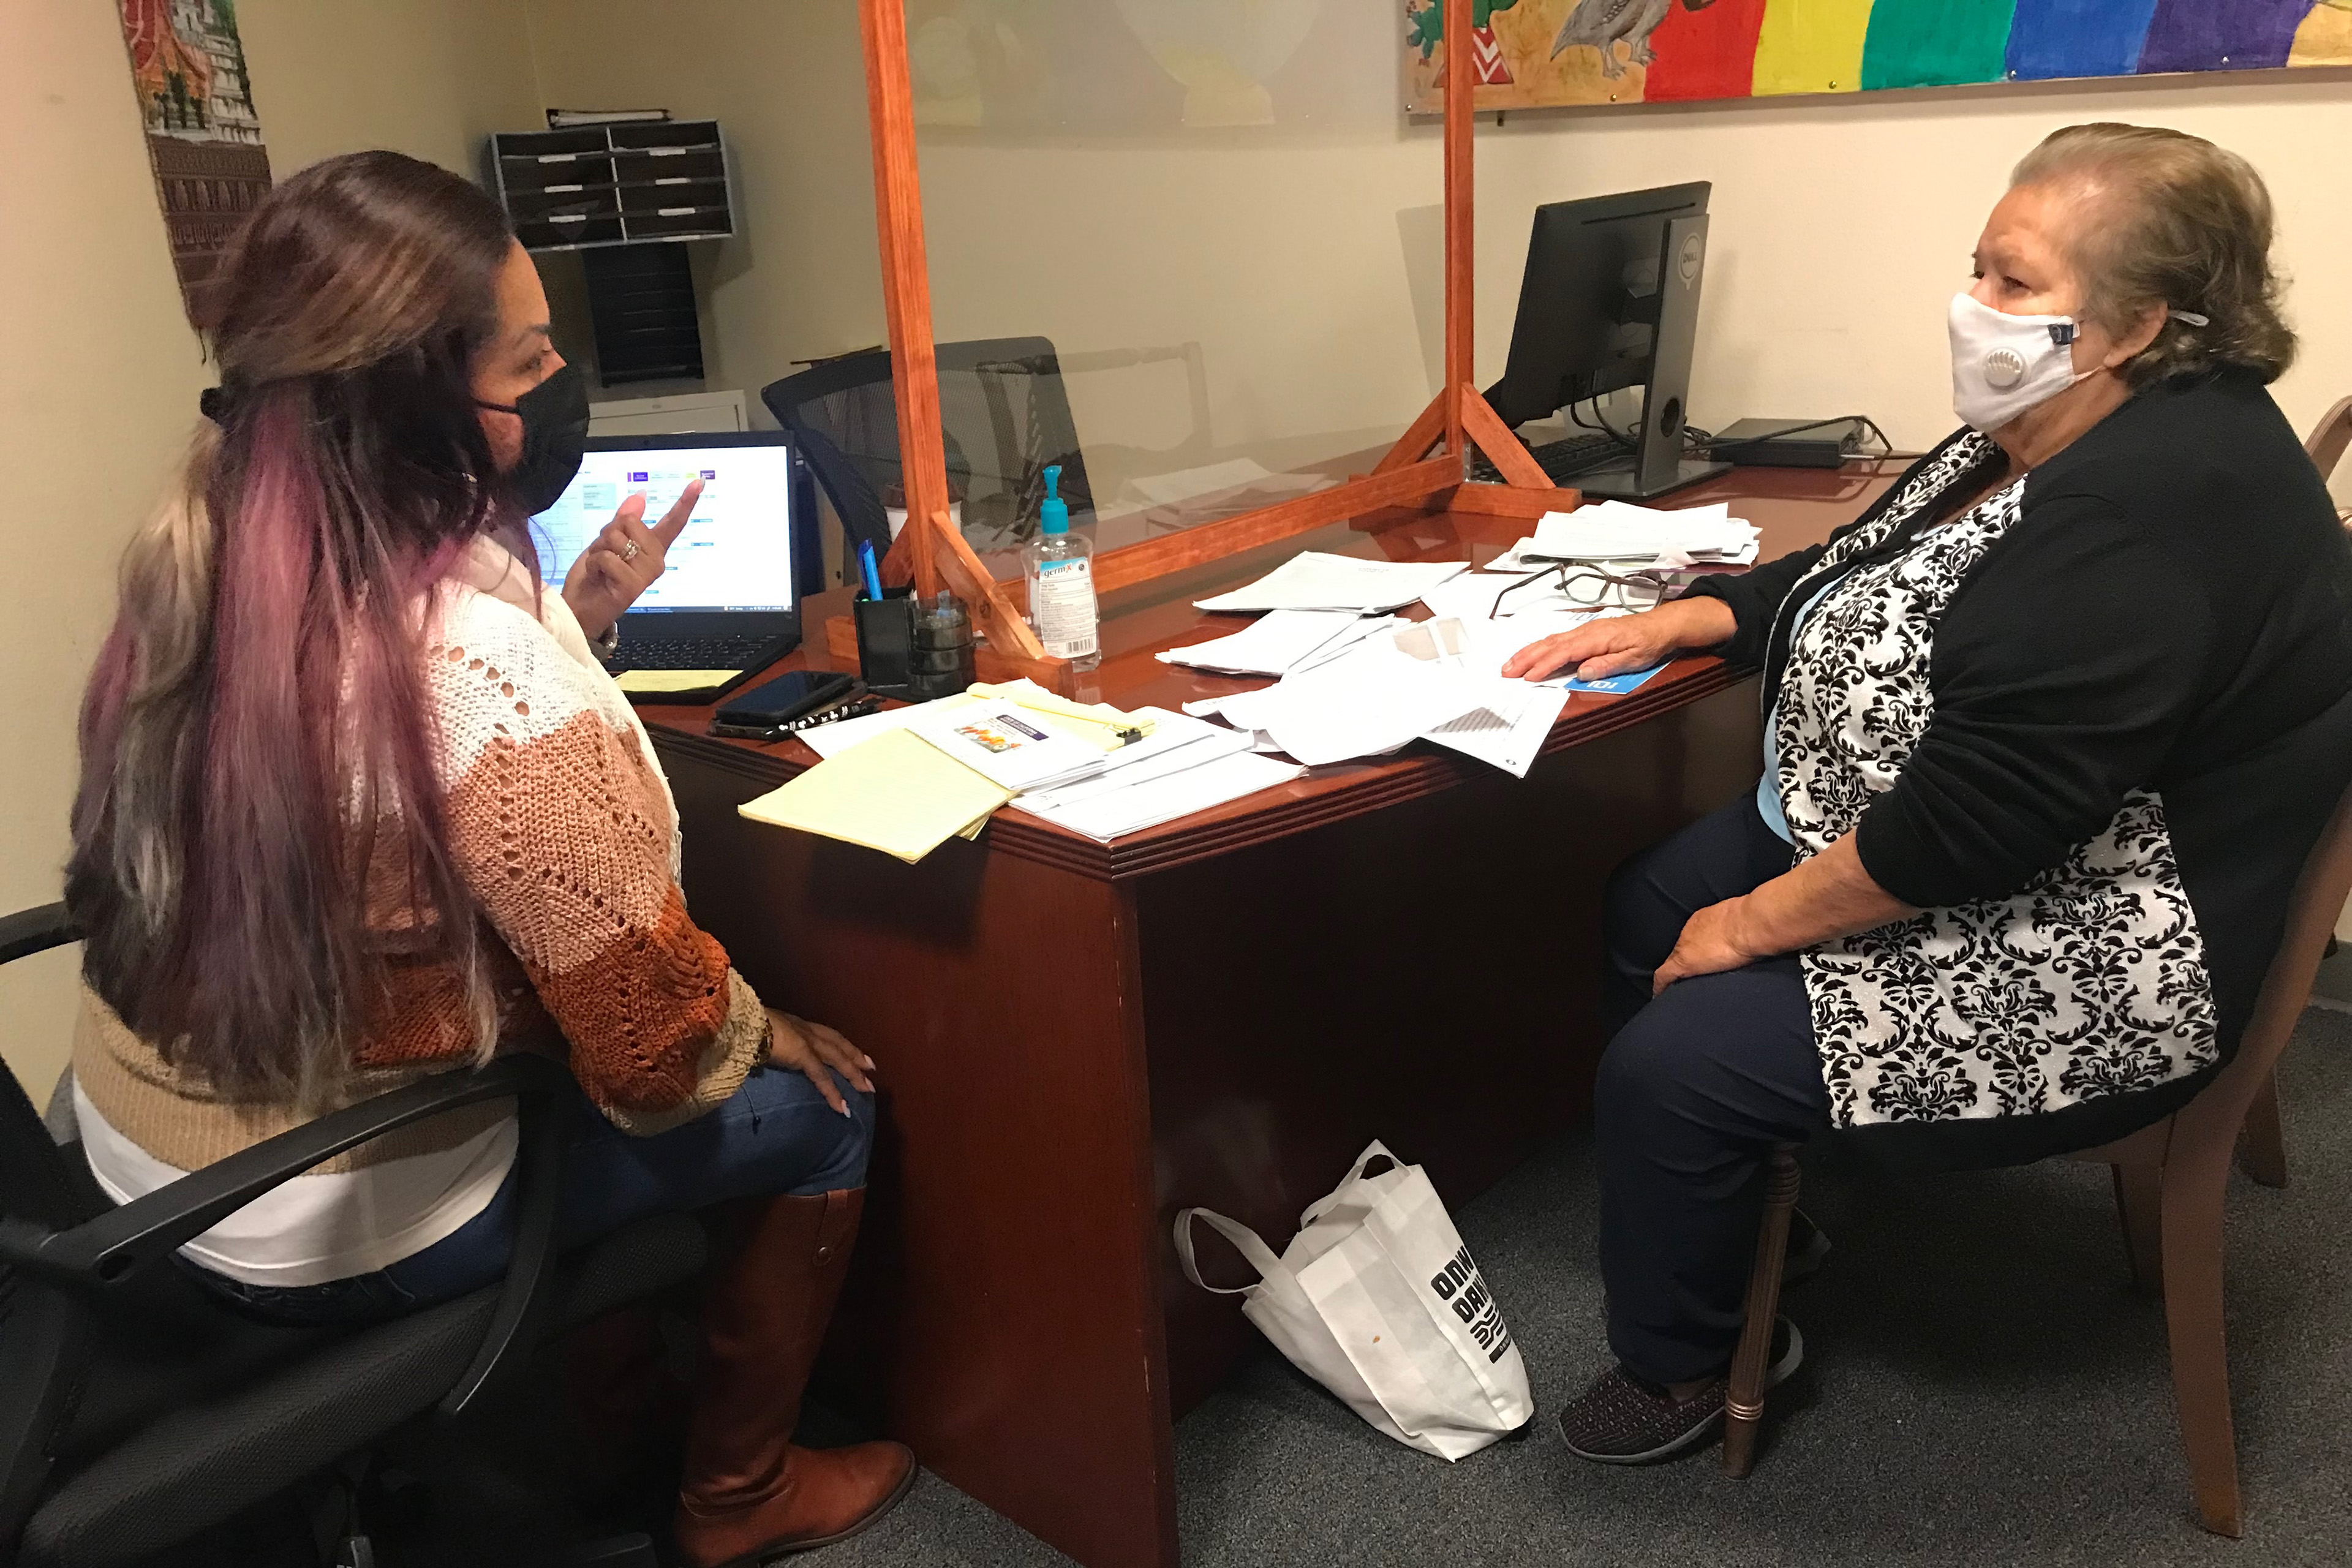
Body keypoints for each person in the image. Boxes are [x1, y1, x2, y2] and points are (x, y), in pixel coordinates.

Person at [62, 151, 914, 1561]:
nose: (566, 375)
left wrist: (577, 609)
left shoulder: (205, 551)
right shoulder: (475, 675)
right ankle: (736, 1492)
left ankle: (608, 1405)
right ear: (412, 402)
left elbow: (403, 802)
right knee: (823, 1098)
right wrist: (763, 1024)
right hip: (313, 1207)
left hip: (138, 1160)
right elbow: (652, 1051)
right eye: (532, 360)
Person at [1500, 123, 2352, 1464]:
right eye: (1979, 266)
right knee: (1646, 898)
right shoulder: (2037, 424)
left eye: (2012, 280)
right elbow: (1856, 568)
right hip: (1954, 838)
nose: (1973, 305)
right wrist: (1695, 621)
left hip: (2104, 942)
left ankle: (1685, 1360)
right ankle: (1733, 1207)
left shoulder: (2155, 506)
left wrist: (1750, 925)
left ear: (2131, 323)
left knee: (1680, 1056)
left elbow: (1977, 821)